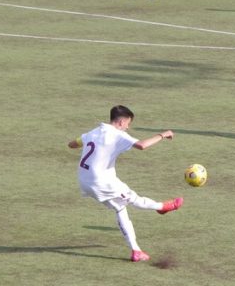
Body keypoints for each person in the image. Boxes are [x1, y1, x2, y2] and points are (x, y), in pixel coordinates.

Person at [67, 105, 183, 263]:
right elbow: (142, 145)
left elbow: (72, 144)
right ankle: (162, 207)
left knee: (120, 208)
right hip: (102, 182)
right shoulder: (117, 134)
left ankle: (136, 251)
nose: (128, 127)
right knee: (134, 199)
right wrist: (163, 135)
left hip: (84, 180)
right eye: (128, 124)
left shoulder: (94, 132)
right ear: (121, 122)